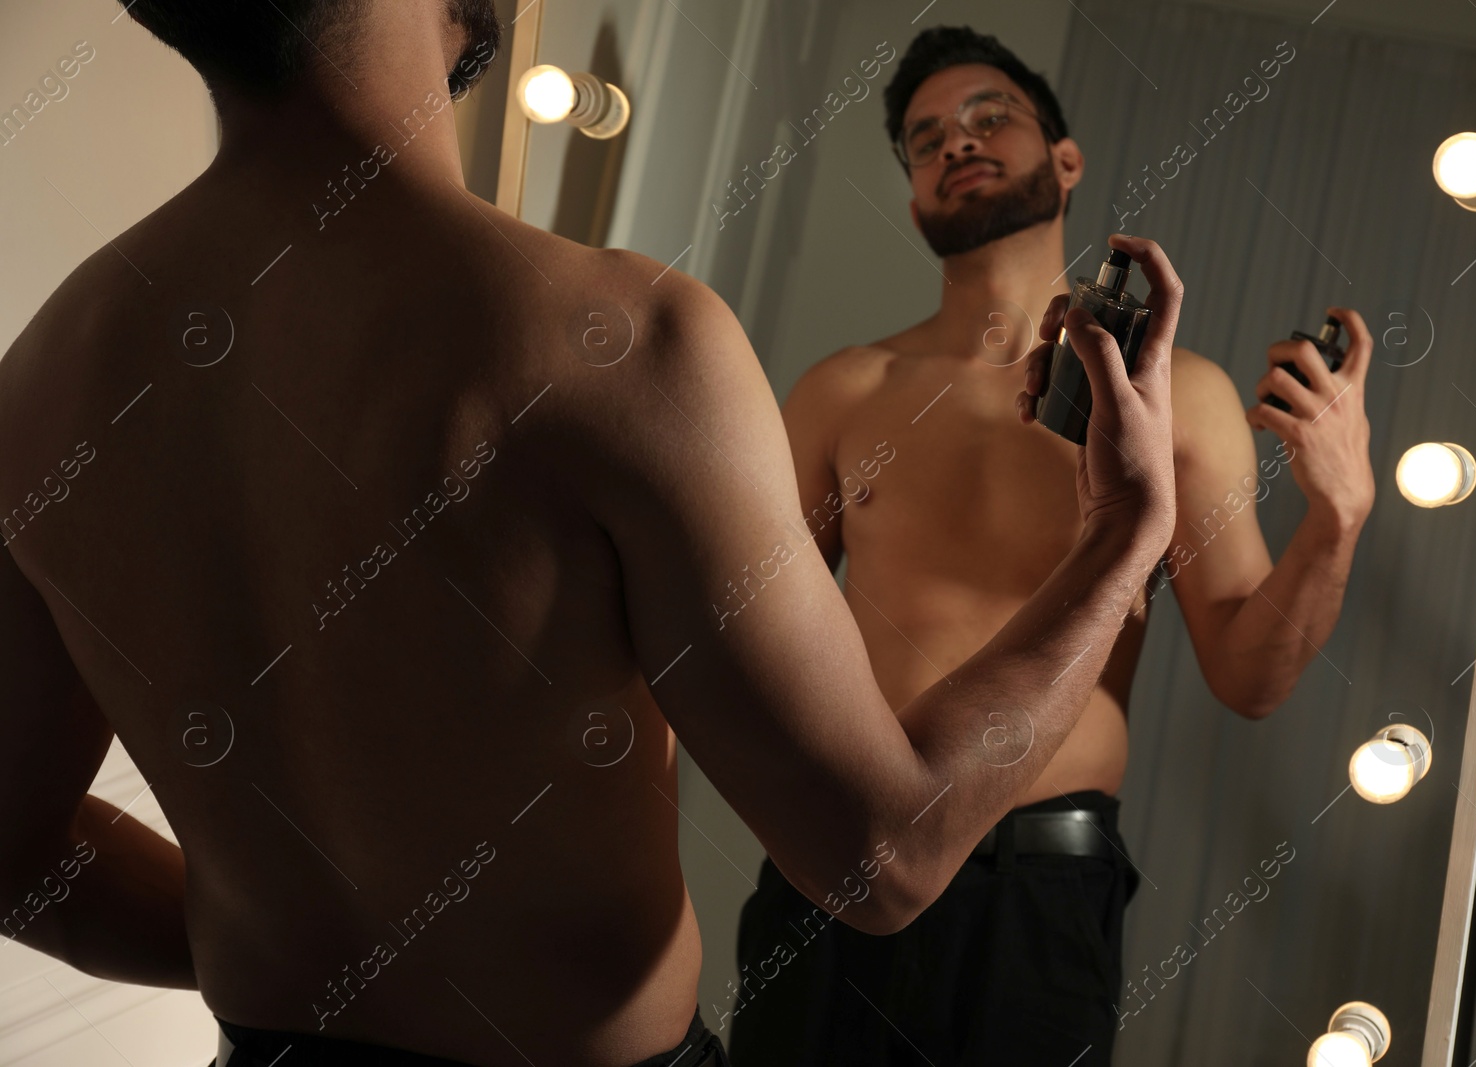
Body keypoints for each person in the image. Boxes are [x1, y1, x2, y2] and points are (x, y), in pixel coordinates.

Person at [0, 4, 1183, 1066]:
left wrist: (282, 958)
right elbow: (881, 856)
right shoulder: (618, 343)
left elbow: (19, 863)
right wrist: (1122, 535)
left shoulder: (42, 385)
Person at [728, 24, 1377, 1067]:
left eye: (991, 116)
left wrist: (1338, 514)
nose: (958, 141)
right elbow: (743, 636)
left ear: (1064, 160)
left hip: (1043, 883)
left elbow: (1251, 672)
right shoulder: (841, 393)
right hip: (841, 867)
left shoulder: (1178, 395)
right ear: (912, 199)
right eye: (927, 137)